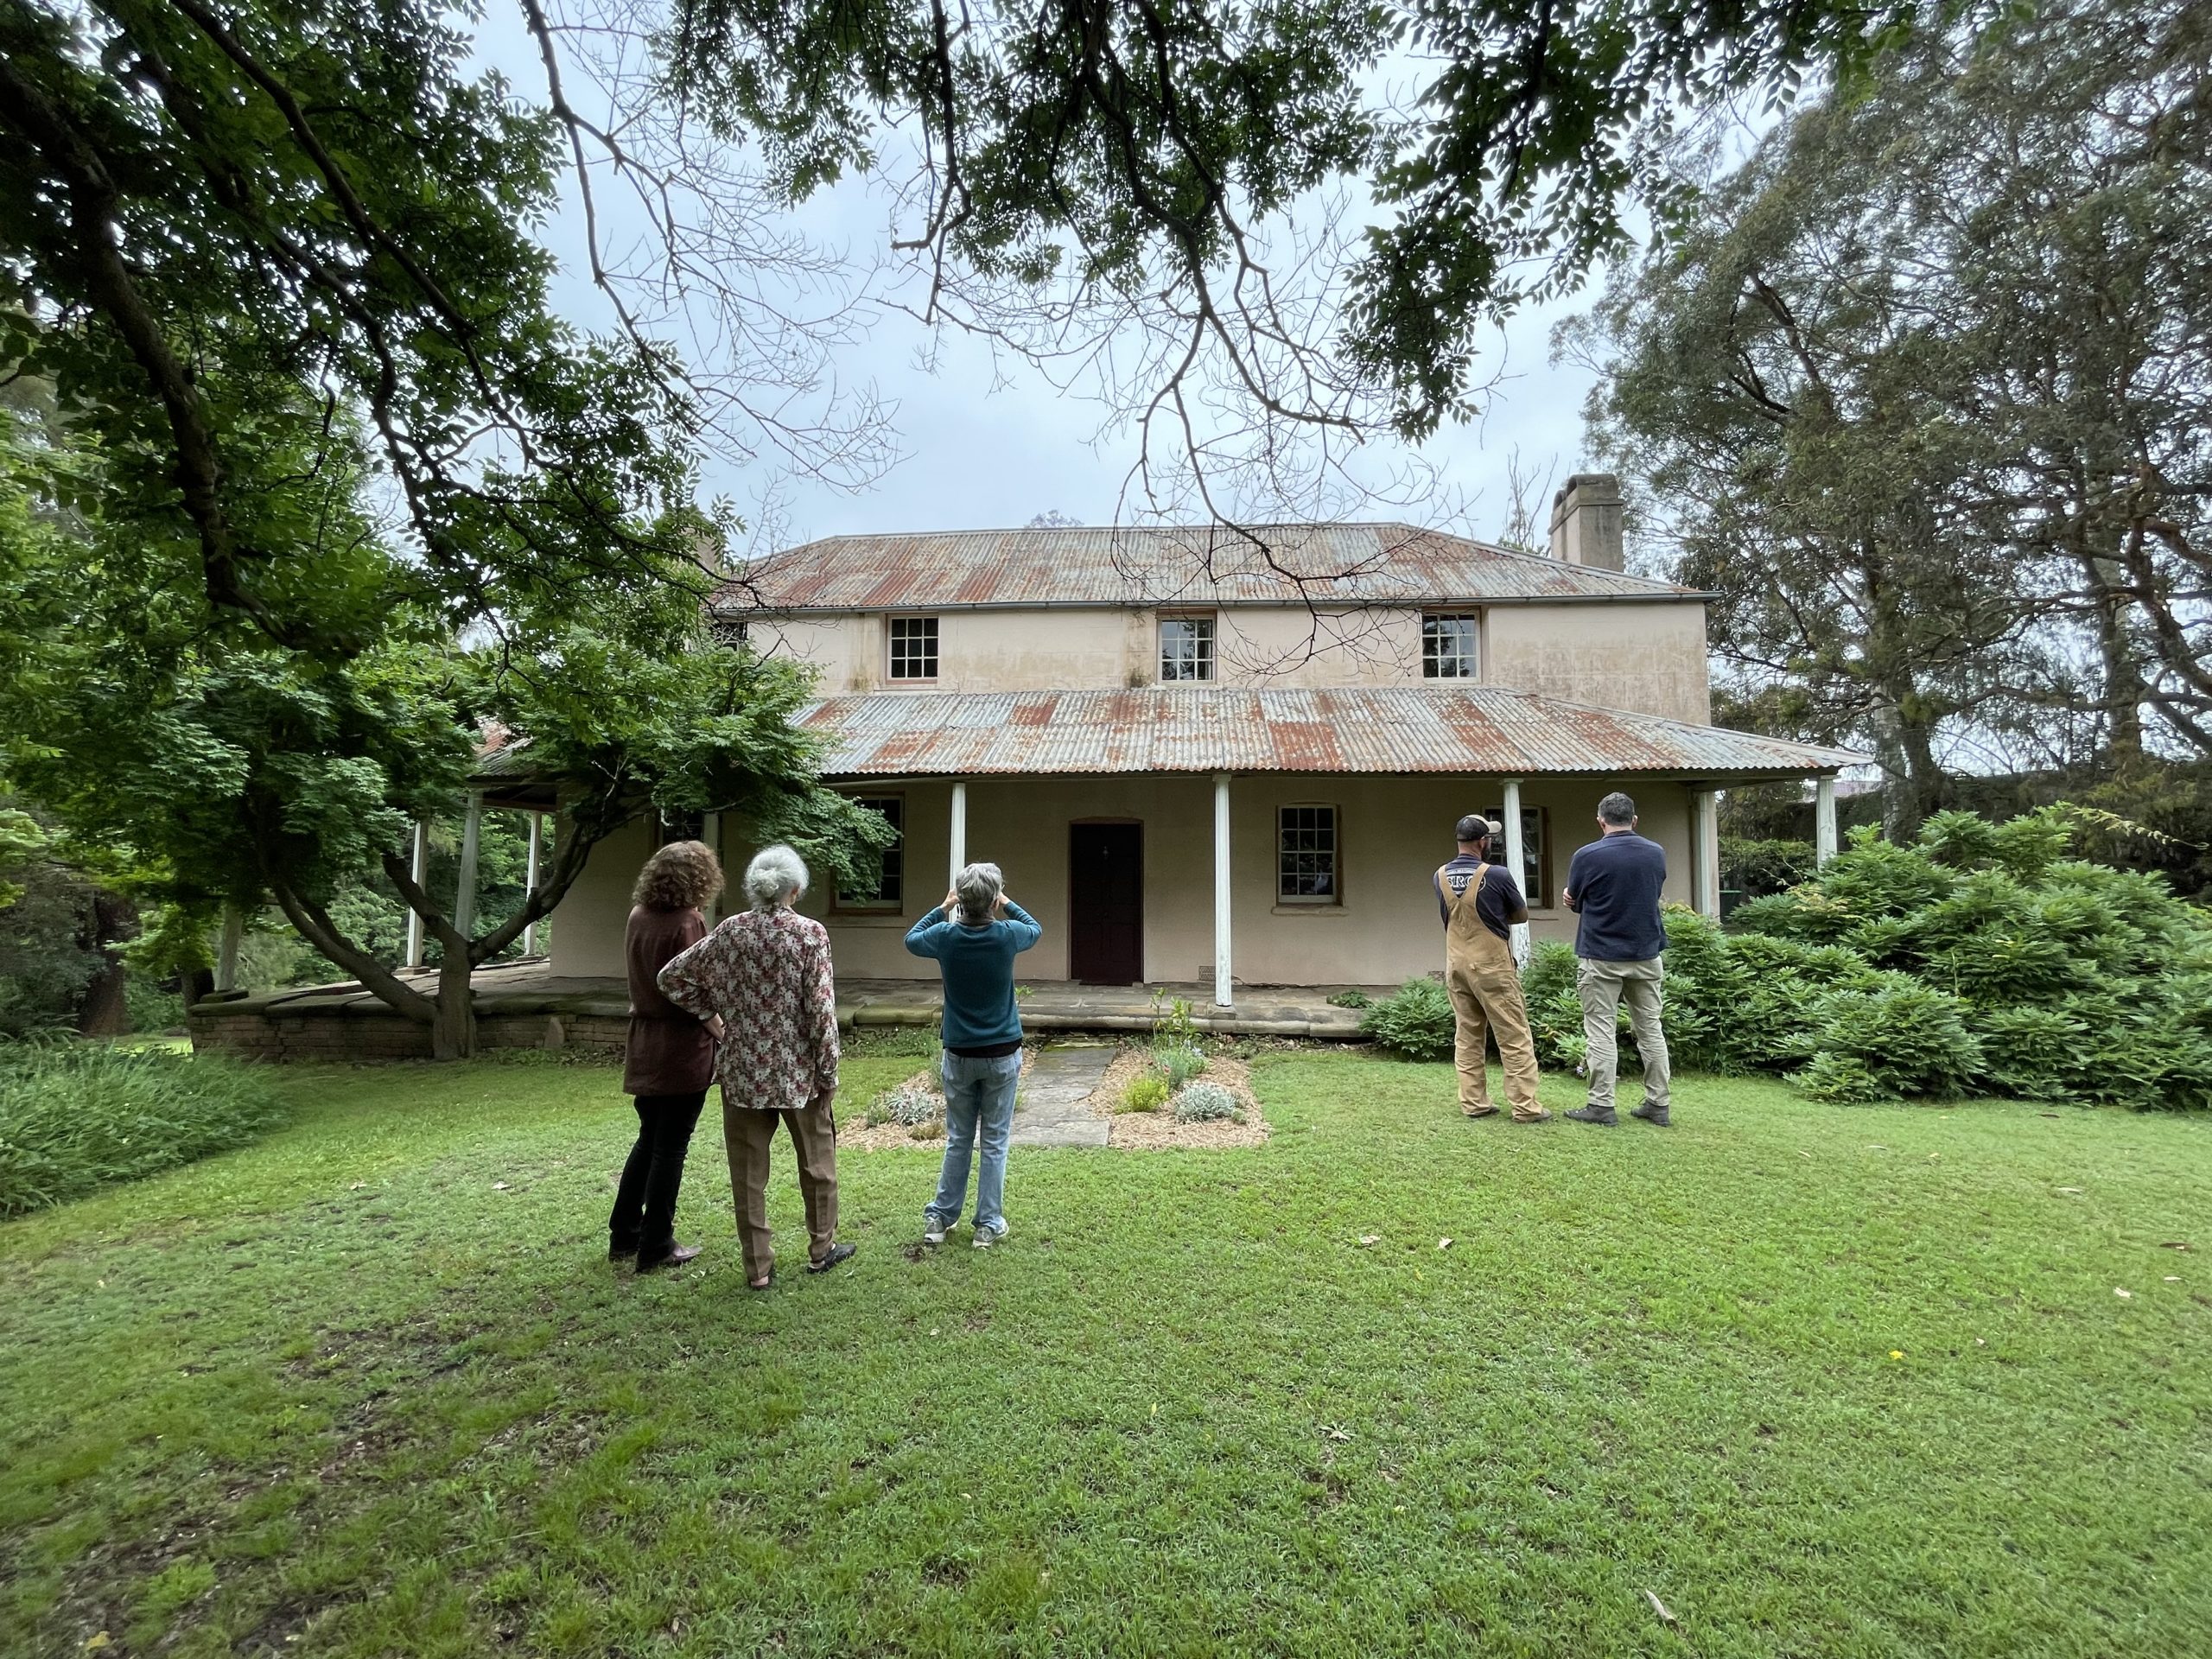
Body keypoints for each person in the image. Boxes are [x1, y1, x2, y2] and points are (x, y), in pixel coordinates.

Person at [658, 844, 856, 1288]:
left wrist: (711, 1013)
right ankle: (821, 1250)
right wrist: (829, 1073)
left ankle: (758, 1269)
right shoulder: (809, 934)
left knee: (748, 1176)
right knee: (818, 1165)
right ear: (795, 889)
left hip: (742, 1070)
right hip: (799, 1073)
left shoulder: (730, 931)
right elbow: (821, 1013)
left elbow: (670, 977)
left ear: (754, 888)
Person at [904, 861, 1042, 1248]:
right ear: (993, 900)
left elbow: (912, 939)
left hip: (959, 1054)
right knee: (995, 1141)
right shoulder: (1007, 935)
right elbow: (1035, 928)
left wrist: (943, 907)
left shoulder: (945, 937)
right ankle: (987, 1224)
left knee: (959, 1139)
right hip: (1002, 1053)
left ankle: (940, 1218)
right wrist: (1007, 902)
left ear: (961, 900)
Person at [610, 840, 724, 1272]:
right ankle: (656, 1243)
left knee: (649, 1138)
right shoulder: (688, 922)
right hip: (680, 1046)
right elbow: (696, 988)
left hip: (645, 1042)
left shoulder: (637, 915)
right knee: (671, 1146)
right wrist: (721, 1029)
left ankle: (625, 1234)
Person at [1560, 791, 1672, 1126]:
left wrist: (1572, 900)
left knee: (1600, 1031)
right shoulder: (1656, 853)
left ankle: (1601, 1105)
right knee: (1651, 1030)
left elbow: (1576, 900)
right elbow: (1651, 894)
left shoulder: (1587, 855)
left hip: (1601, 954)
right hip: (1646, 952)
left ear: (1601, 821)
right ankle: (1658, 1103)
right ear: (1634, 820)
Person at [1434, 815, 1548, 1122]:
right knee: (1514, 1035)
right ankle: (1525, 1107)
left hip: (1456, 964)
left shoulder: (1440, 875)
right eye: (1489, 838)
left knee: (1467, 1036)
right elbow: (1521, 915)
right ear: (1482, 842)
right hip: (1492, 967)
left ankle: (1474, 1102)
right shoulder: (1497, 874)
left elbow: (1449, 916)